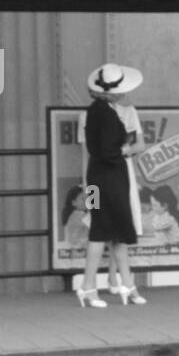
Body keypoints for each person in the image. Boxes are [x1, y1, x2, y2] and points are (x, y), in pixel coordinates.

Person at [77, 63, 148, 308]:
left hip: (97, 177)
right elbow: (106, 151)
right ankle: (98, 285)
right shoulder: (105, 113)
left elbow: (90, 154)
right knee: (103, 228)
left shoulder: (95, 112)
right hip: (106, 177)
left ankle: (122, 283)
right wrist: (123, 150)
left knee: (112, 227)